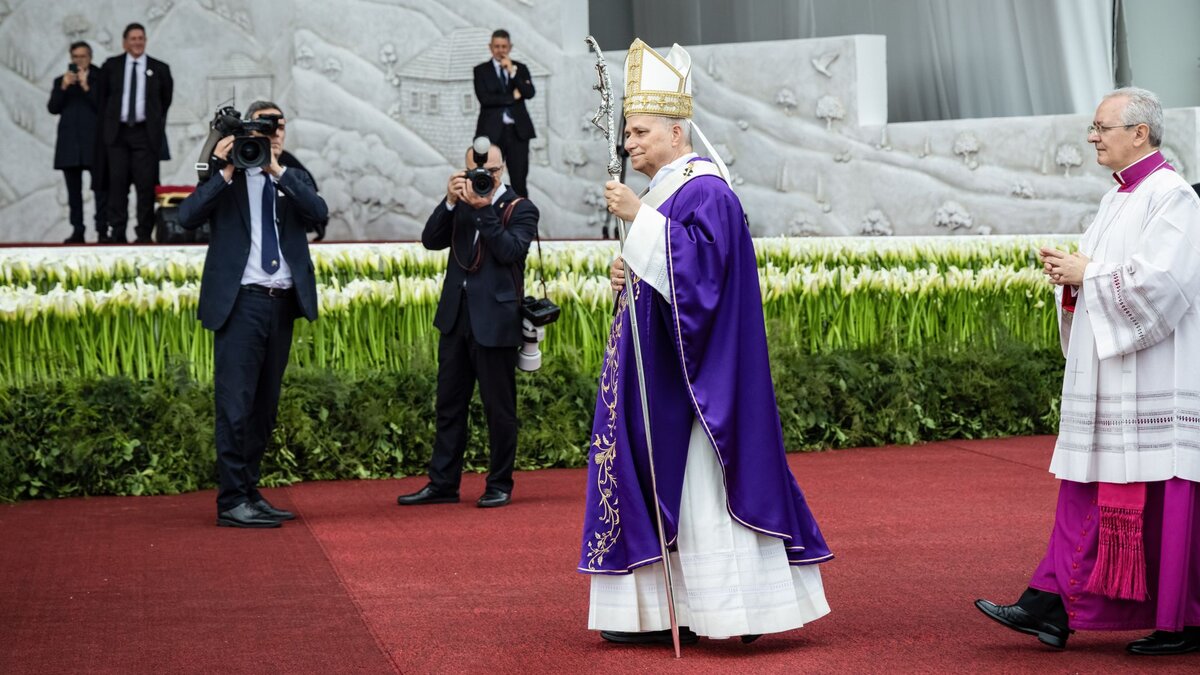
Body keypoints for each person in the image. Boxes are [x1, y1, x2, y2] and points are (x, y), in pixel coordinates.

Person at [578, 39, 832, 646]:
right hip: (660, 370)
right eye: (627, 134)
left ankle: (731, 610)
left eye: (640, 131)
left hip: (694, 385)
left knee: (700, 486)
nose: (630, 143)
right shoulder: (670, 192)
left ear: (676, 129)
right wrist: (628, 268)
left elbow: (705, 279)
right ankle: (674, 608)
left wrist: (640, 221)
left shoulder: (705, 190)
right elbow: (666, 267)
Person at [976, 87, 1200, 656]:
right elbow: (1113, 279)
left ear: (1140, 133)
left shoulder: (1172, 197)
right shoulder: (1116, 200)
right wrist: (1074, 279)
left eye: (1102, 127)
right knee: (1086, 488)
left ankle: (1183, 620)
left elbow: (1165, 286)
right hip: (1114, 375)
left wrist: (1089, 272)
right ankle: (1051, 604)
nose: (1093, 137)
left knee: (1162, 498)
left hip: (1154, 377)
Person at [177, 101, 328, 528]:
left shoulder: (292, 176)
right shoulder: (227, 176)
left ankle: (249, 490)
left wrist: (276, 170)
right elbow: (187, 217)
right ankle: (230, 501)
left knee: (264, 407)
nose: (273, 132)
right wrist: (226, 167)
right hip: (241, 304)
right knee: (235, 405)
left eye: (279, 125)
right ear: (248, 130)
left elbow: (319, 214)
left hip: (280, 305)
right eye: (264, 126)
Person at [397, 141, 539, 509]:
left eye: (490, 172)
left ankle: (499, 483)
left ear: (502, 169)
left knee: (499, 408)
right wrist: (449, 201)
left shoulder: (521, 208)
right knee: (449, 405)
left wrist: (484, 210)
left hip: (496, 321)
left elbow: (510, 252)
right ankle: (442, 483)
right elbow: (431, 240)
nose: (483, 178)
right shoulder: (461, 202)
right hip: (456, 318)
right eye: (476, 172)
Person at [97, 22, 172, 243]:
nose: (137, 42)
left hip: (145, 135)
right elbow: (102, 100)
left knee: (145, 186)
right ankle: (117, 232)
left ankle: (144, 234)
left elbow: (165, 101)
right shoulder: (111, 66)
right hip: (117, 135)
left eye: (141, 38)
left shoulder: (159, 68)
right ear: (125, 42)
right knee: (117, 184)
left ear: (145, 41)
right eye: (133, 38)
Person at [48, 41, 106, 244]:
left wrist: (86, 85)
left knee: (100, 190)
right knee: (73, 192)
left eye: (82, 56)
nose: (78, 61)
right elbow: (53, 108)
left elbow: (103, 106)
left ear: (90, 57)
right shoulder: (61, 81)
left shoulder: (100, 78)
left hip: (94, 144)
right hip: (70, 145)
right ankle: (77, 229)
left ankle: (102, 230)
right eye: (75, 57)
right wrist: (63, 86)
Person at [473, 29, 535, 198]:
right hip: (492, 133)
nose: (500, 50)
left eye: (504, 46)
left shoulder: (520, 69)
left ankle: (520, 220)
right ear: (490, 47)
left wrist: (512, 73)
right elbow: (485, 99)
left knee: (519, 181)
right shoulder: (480, 71)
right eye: (497, 46)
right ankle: (489, 220)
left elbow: (529, 92)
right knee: (487, 180)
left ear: (510, 47)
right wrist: (512, 97)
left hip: (517, 133)